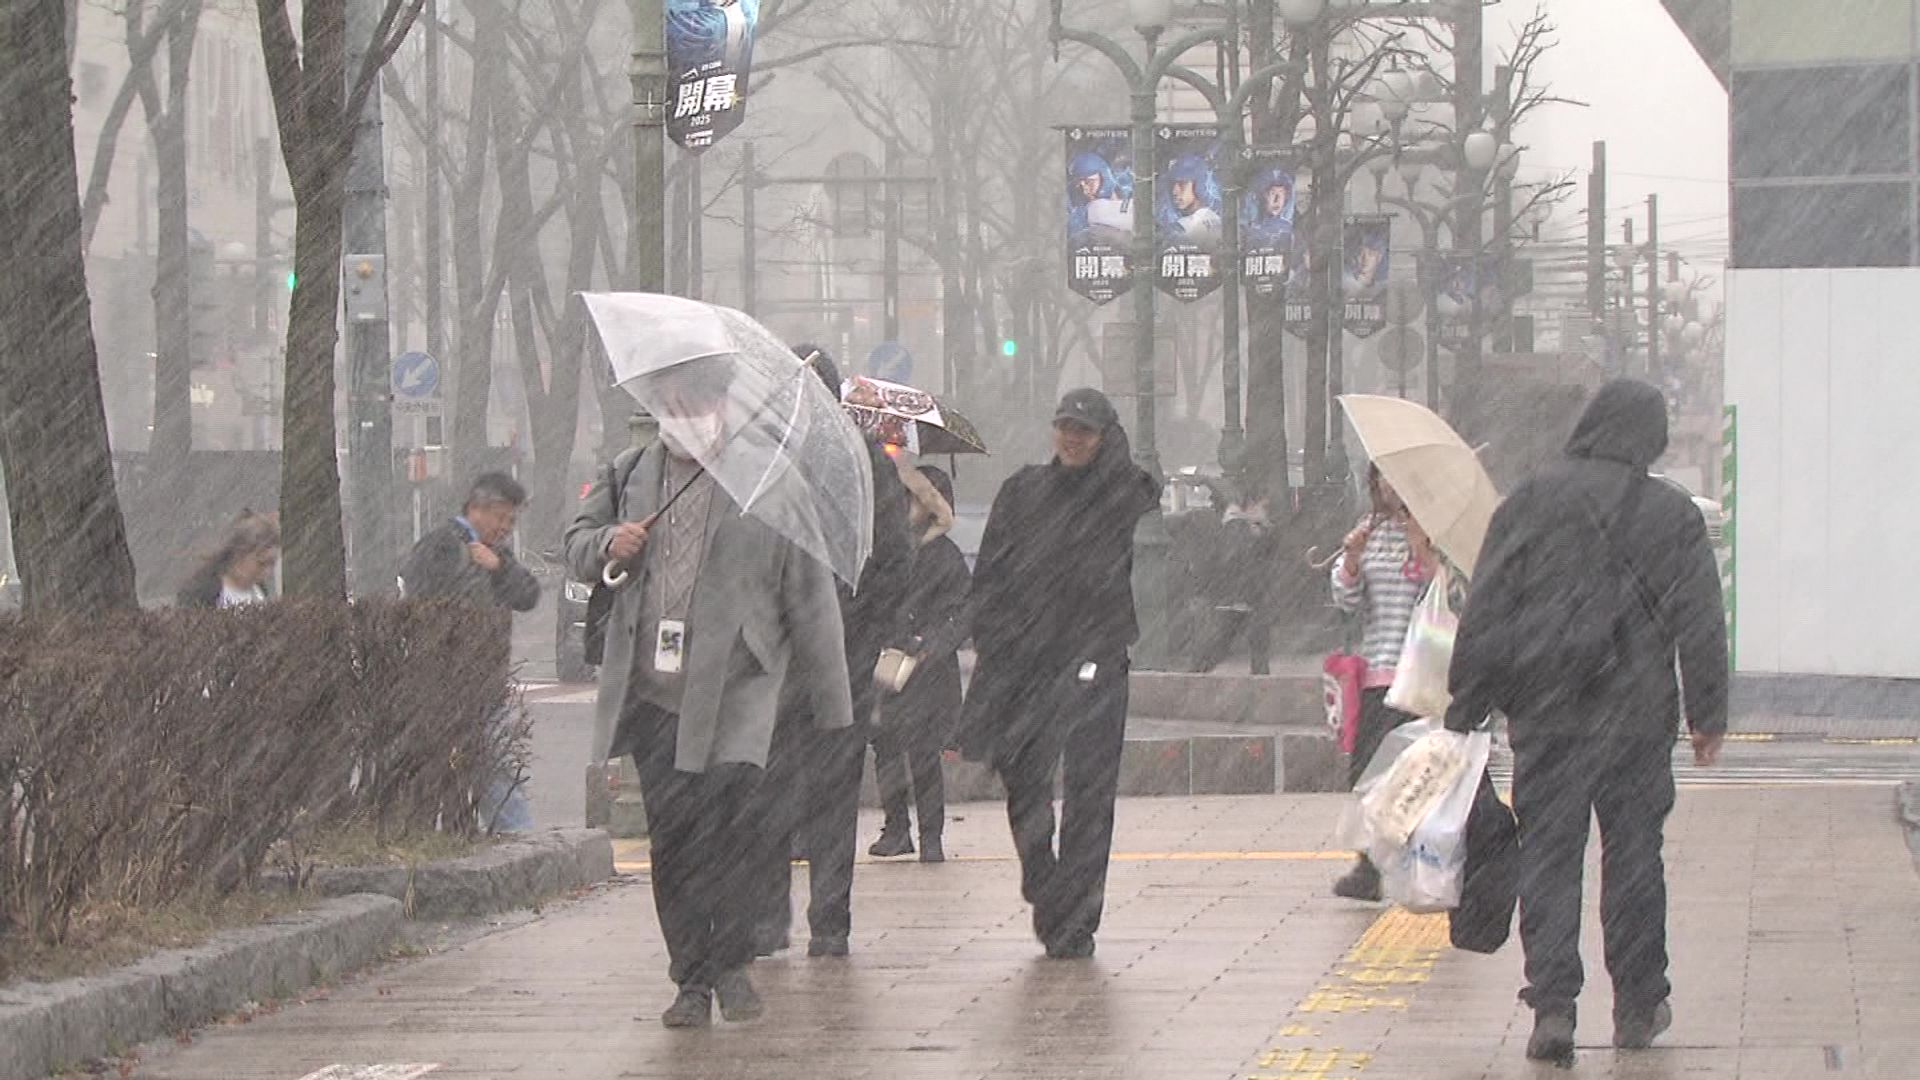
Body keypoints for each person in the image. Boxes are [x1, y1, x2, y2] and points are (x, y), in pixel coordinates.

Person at [565, 353, 854, 1028]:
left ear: (721, 402)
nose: (683, 409)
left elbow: (808, 591)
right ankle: (691, 976)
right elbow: (576, 544)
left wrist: (830, 696)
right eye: (672, 397)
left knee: (739, 834)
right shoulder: (630, 474)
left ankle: (732, 963)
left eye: (695, 397)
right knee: (676, 838)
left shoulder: (770, 481)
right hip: (655, 692)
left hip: (740, 691)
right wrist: (612, 542)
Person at [1443, 378, 1727, 1063]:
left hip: (1548, 714)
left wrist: (1467, 700)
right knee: (1633, 859)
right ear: (1650, 437)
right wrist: (1706, 711)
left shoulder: (1531, 501)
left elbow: (1488, 606)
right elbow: (1702, 621)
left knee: (1548, 856)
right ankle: (1636, 1002)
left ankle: (1553, 1007)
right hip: (1636, 718)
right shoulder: (1672, 515)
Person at [957, 388, 1157, 959]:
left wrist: (1111, 454)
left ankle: (1077, 919)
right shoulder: (1022, 491)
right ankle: (1043, 878)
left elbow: (1145, 489)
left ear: (1104, 437)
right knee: (1022, 778)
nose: (1073, 438)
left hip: (1097, 660)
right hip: (1026, 662)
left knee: (1092, 796)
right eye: (1065, 426)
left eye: (1086, 430)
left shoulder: (1115, 493)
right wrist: (990, 637)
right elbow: (990, 572)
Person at [750, 346, 912, 959]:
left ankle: (817, 920)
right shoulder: (762, 462)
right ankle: (808, 921)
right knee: (790, 790)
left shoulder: (858, 465)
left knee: (809, 789)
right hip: (792, 654)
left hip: (820, 654)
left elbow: (892, 561)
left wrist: (861, 633)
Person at [402, 472, 543, 832]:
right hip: (447, 682)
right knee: (485, 765)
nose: (507, 528)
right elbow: (425, 605)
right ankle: (513, 835)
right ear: (479, 509)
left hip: (482, 682)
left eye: (512, 520)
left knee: (491, 764)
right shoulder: (441, 547)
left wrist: (498, 567)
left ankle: (509, 834)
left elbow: (528, 595)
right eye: (503, 518)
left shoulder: (494, 555)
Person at [1329, 464, 1437, 901]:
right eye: (1382, 478)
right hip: (1377, 674)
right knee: (1370, 775)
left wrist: (1423, 551)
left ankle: (1427, 863)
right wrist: (1351, 561)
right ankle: (1368, 866)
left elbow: (1449, 596)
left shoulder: (1433, 532)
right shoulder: (1368, 533)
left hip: (1426, 678)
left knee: (1423, 777)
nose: (1390, 485)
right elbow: (1345, 601)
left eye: (1398, 476)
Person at [868, 465, 970, 862]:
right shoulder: (886, 552)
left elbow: (963, 611)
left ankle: (931, 835)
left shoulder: (945, 556)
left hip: (927, 669)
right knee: (886, 748)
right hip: (888, 664)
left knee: (924, 754)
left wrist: (932, 644)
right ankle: (897, 828)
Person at [176, 511, 279, 609]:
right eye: (261, 563)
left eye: (272, 564)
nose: (267, 572)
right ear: (239, 554)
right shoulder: (204, 591)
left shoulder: (259, 591)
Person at [1163, 155, 1221, 247]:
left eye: (1182, 184)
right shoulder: (1218, 220)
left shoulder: (1183, 227)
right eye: (1173, 184)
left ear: (1200, 184)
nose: (1174, 191)